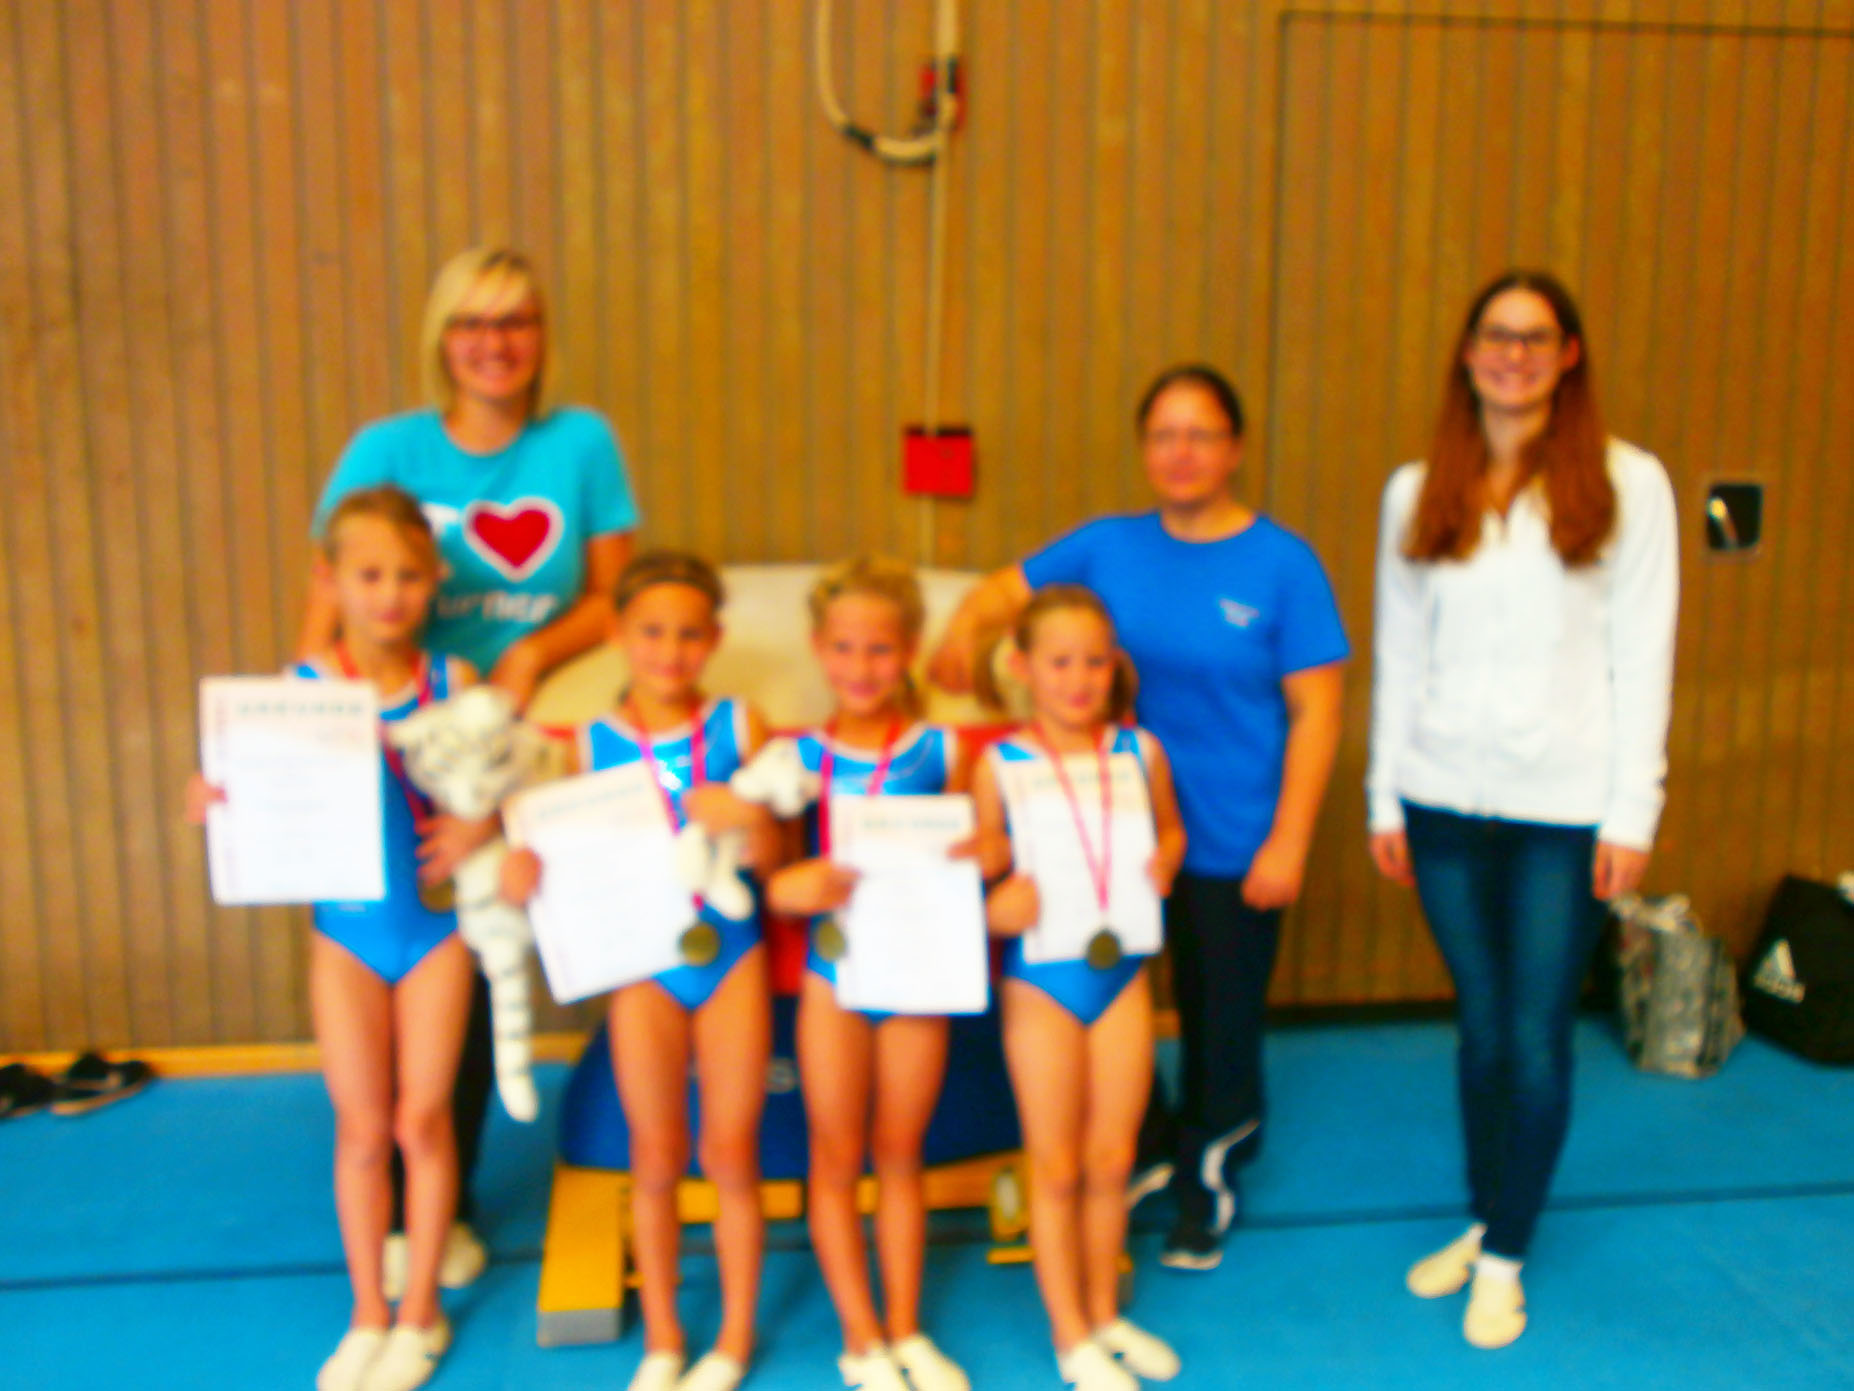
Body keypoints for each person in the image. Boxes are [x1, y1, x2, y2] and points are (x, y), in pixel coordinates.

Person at [929, 365, 1348, 1270]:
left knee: (1218, 1019)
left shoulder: (1284, 564)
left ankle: (1210, 1173)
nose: (1181, 451)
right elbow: (1001, 593)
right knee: (1113, 1005)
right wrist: (962, 629)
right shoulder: (1106, 546)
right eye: (1164, 434)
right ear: (1145, 448)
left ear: (1235, 448)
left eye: (1201, 434)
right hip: (1108, 842)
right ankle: (1152, 1147)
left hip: (1232, 840)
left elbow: (1319, 709)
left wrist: (1289, 839)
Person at [301, 246, 639, 1289]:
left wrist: (531, 654)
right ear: (441, 339)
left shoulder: (580, 442)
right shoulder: (387, 448)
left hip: (513, 742)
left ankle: (454, 1189)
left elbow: (612, 597)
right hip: (407, 736)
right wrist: (309, 727)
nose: (495, 343)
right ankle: (398, 1187)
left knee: (489, 958)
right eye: (472, 323)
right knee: (393, 954)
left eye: (515, 320)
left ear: (541, 335)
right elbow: (327, 603)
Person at [1366, 269, 1678, 1349]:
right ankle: (1485, 1212)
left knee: (1537, 1035)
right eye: (1496, 336)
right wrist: (1384, 793)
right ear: (1467, 353)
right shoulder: (1418, 490)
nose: (1514, 355)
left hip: (1565, 811)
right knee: (1483, 1027)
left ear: (1569, 354)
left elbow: (1644, 653)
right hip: (1442, 800)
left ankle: (1504, 1256)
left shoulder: (1630, 483)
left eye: (1535, 337)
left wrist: (1633, 811)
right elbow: (1400, 650)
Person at [190, 487, 485, 1391]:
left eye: (408, 576)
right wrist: (218, 799)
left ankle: (420, 1311)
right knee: (361, 1128)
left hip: (436, 932)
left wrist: (482, 827)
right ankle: (367, 1313)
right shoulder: (297, 694)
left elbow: (504, 789)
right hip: (347, 937)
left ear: (433, 582)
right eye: (369, 575)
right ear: (330, 580)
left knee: (421, 1118)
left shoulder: (455, 686)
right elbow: (253, 793)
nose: (389, 594)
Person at [500, 552, 773, 1391]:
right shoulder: (588, 742)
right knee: (653, 1156)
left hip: (730, 958)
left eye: (689, 634)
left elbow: (780, 854)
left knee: (730, 1152)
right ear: (619, 634)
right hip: (642, 967)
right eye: (652, 632)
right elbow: (552, 858)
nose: (670, 650)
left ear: (714, 638)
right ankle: (663, 1336)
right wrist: (524, 872)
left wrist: (752, 820)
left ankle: (732, 1338)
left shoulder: (741, 725)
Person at [764, 557, 975, 1391]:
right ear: (820, 650)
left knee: (899, 1152)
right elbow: (771, 876)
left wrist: (989, 851)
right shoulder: (794, 759)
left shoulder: (942, 750)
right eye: (845, 648)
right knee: (836, 1152)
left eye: (880, 648)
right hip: (836, 976)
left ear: (910, 649)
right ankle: (861, 1337)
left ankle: (906, 1327)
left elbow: (986, 845)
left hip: (919, 973)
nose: (861, 666)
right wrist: (790, 885)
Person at [972, 585, 1187, 1391]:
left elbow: (1171, 828)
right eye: (1060, 662)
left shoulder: (1140, 751)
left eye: (1095, 662)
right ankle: (1070, 1338)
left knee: (1112, 1157)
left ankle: (1105, 1316)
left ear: (1115, 666)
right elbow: (976, 874)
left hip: (1121, 973)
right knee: (1057, 1165)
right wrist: (994, 904)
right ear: (1023, 667)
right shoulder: (1000, 765)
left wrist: (1166, 859)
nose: (1079, 678)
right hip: (1042, 982)